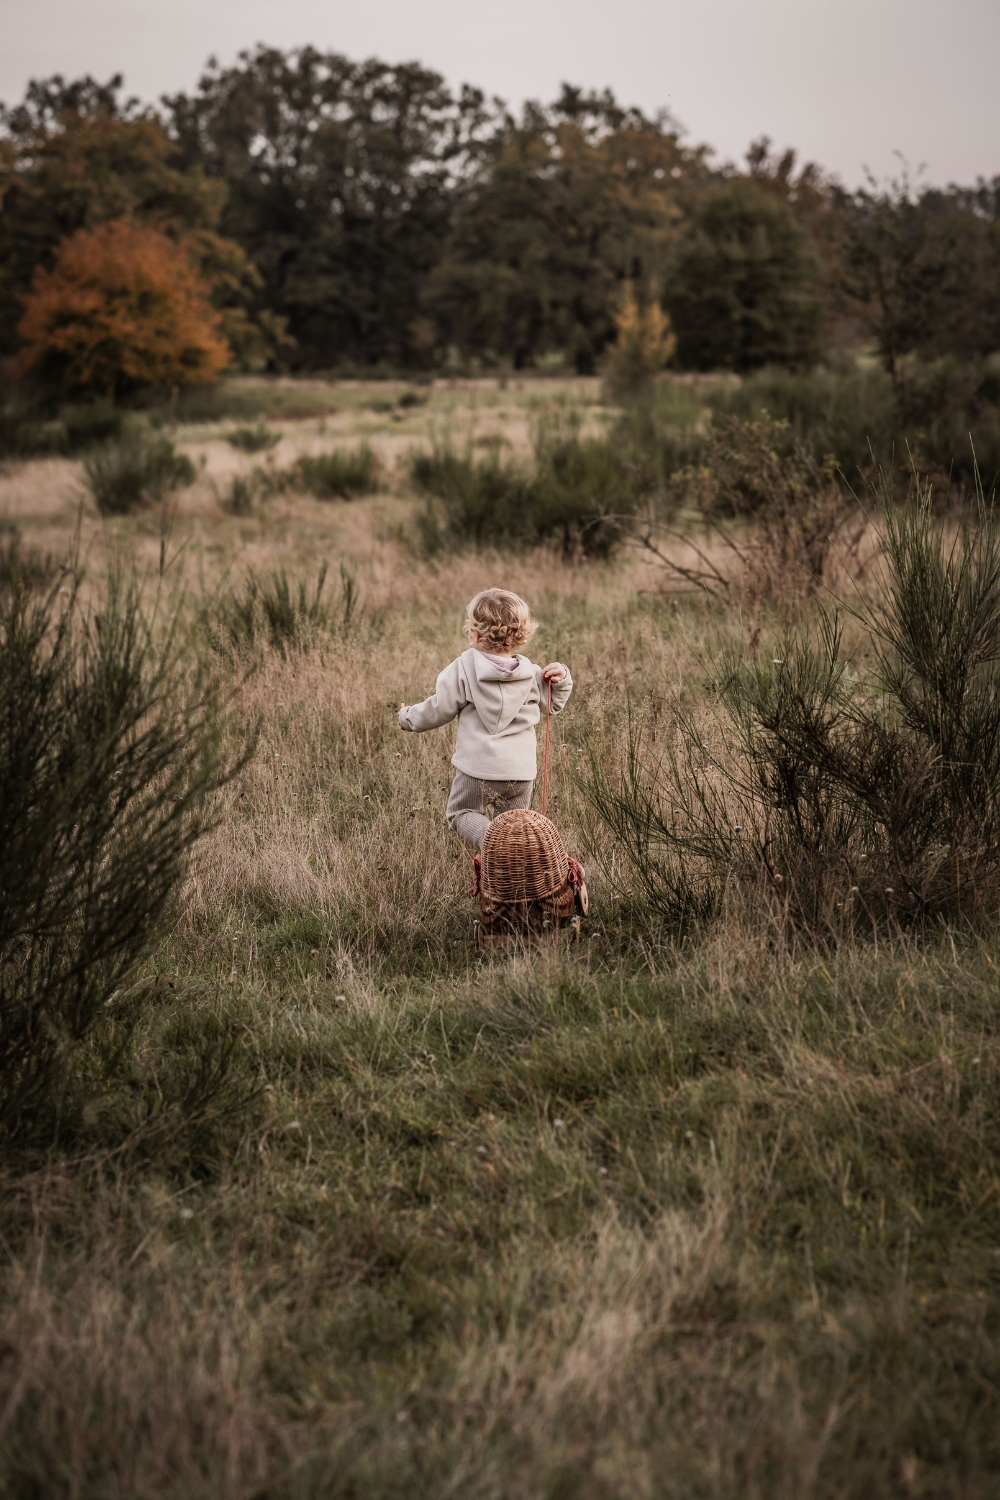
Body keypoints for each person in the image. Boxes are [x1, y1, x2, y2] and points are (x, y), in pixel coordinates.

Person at [398, 587, 572, 849]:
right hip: (521, 773)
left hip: (478, 770)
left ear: (475, 633)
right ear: (523, 636)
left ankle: (493, 844)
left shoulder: (464, 668)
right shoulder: (534, 674)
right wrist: (563, 680)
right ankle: (508, 874)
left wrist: (407, 718)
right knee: (512, 828)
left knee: (461, 814)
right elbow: (553, 706)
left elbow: (439, 708)